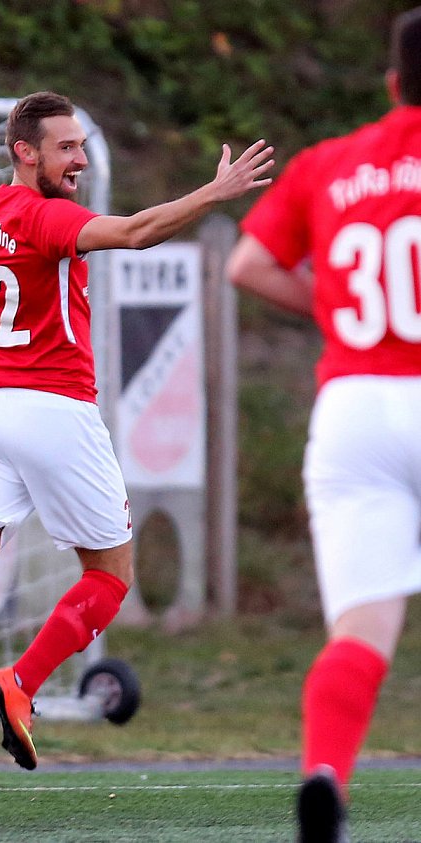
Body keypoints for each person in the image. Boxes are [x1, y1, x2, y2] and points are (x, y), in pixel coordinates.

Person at [0, 90, 274, 791]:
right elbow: (133, 233)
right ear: (24, 152)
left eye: (81, 147)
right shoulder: (45, 217)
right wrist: (214, 192)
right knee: (111, 574)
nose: (80, 160)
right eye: (66, 147)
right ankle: (20, 681)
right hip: (52, 409)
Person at [226, 8, 421, 843]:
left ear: (391, 82)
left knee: (361, 631)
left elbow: (247, 263)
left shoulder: (328, 163)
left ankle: (325, 777)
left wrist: (341, 315)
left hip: (354, 409)